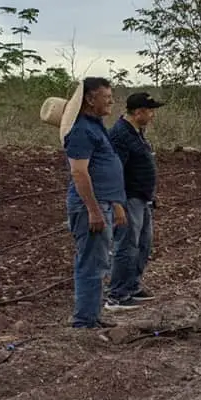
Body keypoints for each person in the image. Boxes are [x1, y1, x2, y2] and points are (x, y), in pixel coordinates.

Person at [54, 77, 127, 329]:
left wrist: (115, 204)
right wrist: (94, 210)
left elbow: (104, 167)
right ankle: (84, 321)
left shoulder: (95, 126)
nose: (111, 101)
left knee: (99, 261)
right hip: (90, 209)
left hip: (103, 204)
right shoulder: (81, 131)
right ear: (90, 99)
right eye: (106, 97)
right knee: (91, 262)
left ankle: (92, 316)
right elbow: (79, 173)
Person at [105, 92, 165, 310]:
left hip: (142, 198)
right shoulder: (120, 135)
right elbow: (114, 171)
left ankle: (132, 286)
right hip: (128, 199)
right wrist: (117, 203)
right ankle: (117, 295)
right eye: (150, 111)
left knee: (143, 244)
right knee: (127, 245)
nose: (152, 116)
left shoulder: (137, 132)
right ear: (138, 112)